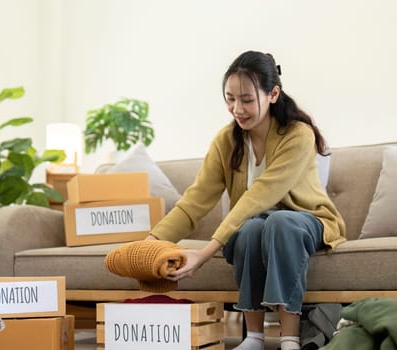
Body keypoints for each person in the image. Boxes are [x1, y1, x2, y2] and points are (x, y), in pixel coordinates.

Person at [146, 50, 346, 350]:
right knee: (251, 228)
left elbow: (260, 194)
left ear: (273, 94)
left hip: (306, 221)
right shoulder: (226, 140)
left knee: (278, 222)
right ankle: (253, 337)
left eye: (247, 100)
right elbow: (196, 200)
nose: (237, 108)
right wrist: (150, 241)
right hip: (256, 225)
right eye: (230, 99)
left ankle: (289, 337)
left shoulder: (298, 134)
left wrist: (204, 253)